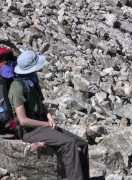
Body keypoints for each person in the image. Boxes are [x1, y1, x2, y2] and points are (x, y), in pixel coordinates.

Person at [8, 50, 90, 180]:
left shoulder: (32, 81)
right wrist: (45, 124)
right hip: (30, 131)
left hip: (42, 125)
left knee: (82, 144)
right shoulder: (17, 88)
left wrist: (48, 116)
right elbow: (23, 120)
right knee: (69, 144)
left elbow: (40, 104)